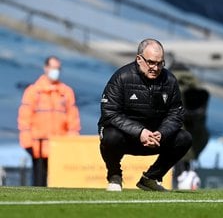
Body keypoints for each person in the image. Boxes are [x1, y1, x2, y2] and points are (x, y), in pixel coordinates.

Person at [98, 38, 192, 192]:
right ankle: (114, 176)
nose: (155, 67)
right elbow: (109, 112)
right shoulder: (121, 77)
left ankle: (151, 178)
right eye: (151, 62)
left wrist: (161, 133)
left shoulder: (170, 80)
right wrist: (139, 132)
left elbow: (176, 114)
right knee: (110, 136)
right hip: (126, 137)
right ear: (139, 59)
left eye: (160, 63)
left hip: (155, 138)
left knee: (184, 138)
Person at [17, 56, 81, 186]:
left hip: (60, 146)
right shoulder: (33, 91)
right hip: (38, 146)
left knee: (60, 184)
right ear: (46, 68)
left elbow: (73, 120)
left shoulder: (66, 92)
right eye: (53, 67)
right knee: (39, 183)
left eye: (58, 68)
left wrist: (72, 140)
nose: (55, 71)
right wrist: (27, 142)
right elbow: (24, 118)